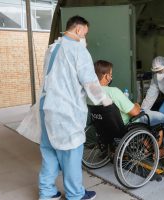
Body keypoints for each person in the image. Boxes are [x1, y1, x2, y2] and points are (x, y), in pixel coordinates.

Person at [38, 16, 112, 200]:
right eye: (85, 32)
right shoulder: (78, 51)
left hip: (47, 107)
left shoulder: (53, 48)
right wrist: (105, 100)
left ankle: (46, 193)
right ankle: (75, 195)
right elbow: (90, 82)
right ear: (79, 30)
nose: (85, 37)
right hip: (66, 109)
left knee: (50, 151)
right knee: (71, 153)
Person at [93, 60, 164, 157]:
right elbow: (135, 112)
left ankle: (146, 145)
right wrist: (137, 105)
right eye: (110, 74)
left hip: (104, 128)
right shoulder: (113, 91)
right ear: (107, 76)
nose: (111, 76)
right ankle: (156, 152)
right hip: (124, 126)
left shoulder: (90, 92)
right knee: (161, 118)